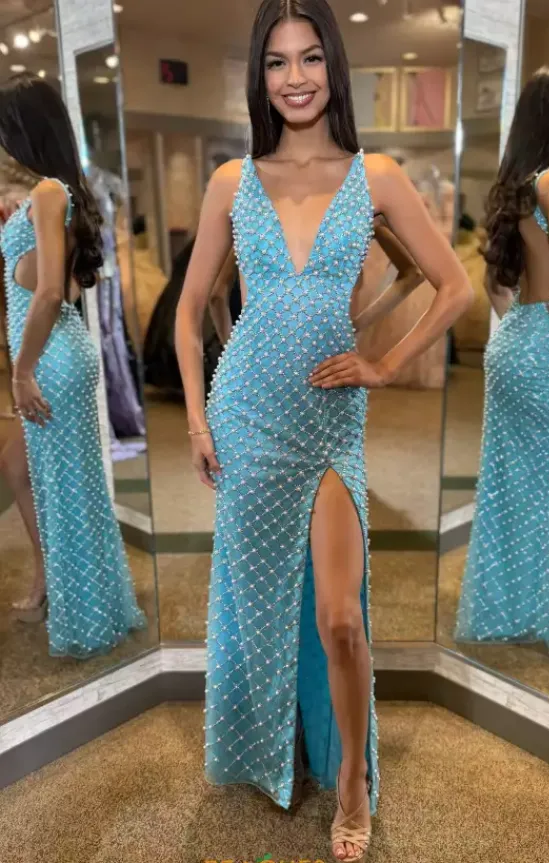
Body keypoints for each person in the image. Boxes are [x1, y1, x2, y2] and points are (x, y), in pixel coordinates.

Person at [175, 2, 472, 859]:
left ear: (334, 66)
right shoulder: (232, 181)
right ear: (259, 76)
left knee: (341, 615)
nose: (295, 78)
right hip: (246, 414)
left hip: (330, 424)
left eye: (310, 58)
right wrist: (195, 416)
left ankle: (351, 782)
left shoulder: (376, 175)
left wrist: (382, 359)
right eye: (277, 62)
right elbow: (190, 312)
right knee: (262, 601)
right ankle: (280, 748)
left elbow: (451, 284)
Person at [455, 65, 549, 661]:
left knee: (516, 483)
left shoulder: (517, 187)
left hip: (513, 344)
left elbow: (497, 283)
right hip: (542, 349)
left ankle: (521, 609)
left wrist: (531, 321)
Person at [0, 73, 146, 656]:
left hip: (49, 355)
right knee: (20, 466)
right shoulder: (57, 191)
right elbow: (54, 281)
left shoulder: (48, 193)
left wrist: (21, 372)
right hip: (57, 349)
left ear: (25, 130)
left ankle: (83, 609)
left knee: (66, 487)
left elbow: (49, 293)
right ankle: (50, 579)